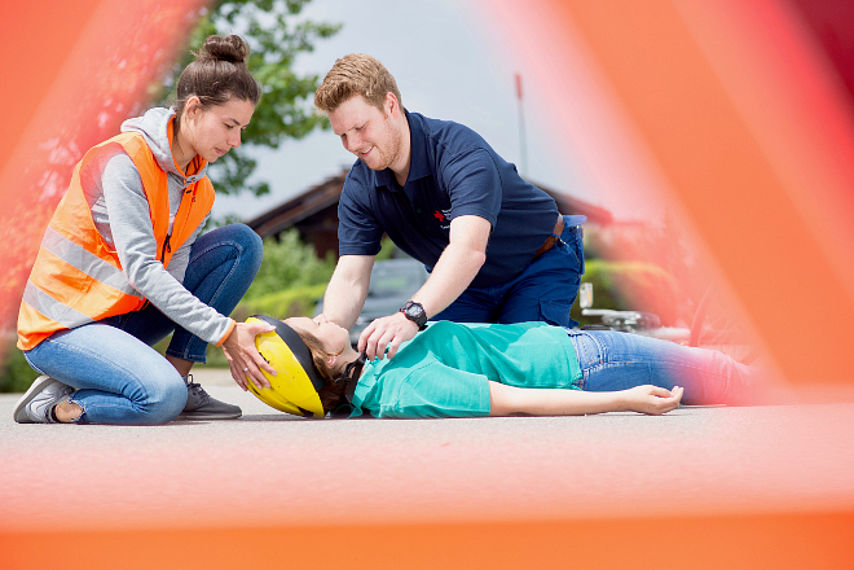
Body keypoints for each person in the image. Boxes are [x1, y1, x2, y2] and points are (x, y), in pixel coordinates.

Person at [13, 34, 276, 426]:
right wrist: (225, 332)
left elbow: (175, 279)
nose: (236, 141)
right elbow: (142, 270)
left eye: (242, 129)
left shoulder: (199, 189)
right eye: (229, 125)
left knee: (240, 245)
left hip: (120, 316)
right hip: (61, 328)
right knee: (159, 398)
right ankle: (51, 405)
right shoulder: (124, 162)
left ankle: (178, 379)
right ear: (193, 109)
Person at [313, 54, 586, 361]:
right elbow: (351, 275)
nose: (353, 145)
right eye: (342, 135)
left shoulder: (459, 152)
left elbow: (468, 250)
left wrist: (410, 315)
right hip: (465, 285)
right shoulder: (360, 187)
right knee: (440, 369)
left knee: (528, 365)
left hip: (536, 264)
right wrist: (327, 334)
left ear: (390, 106)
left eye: (360, 127)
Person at [248, 315, 758, 420]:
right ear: (326, 359)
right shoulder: (405, 386)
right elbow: (516, 401)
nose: (324, 315)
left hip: (574, 349)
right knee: (732, 377)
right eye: (316, 323)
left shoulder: (377, 367)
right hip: (587, 365)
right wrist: (624, 400)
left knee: (732, 370)